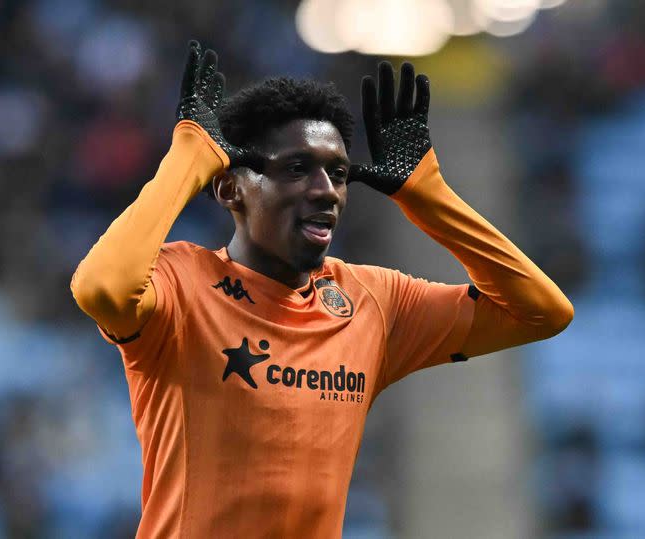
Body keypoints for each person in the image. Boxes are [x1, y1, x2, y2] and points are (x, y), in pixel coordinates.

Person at [70, 41, 573, 538]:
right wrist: (189, 157)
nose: (325, 190)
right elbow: (100, 289)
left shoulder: (374, 302)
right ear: (230, 189)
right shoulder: (182, 284)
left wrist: (430, 197)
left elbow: (542, 313)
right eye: (296, 168)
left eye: (337, 173)